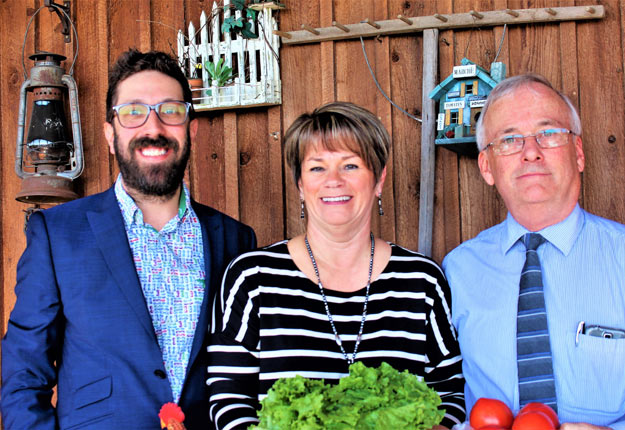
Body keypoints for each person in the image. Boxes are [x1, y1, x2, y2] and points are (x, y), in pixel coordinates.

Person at [1, 49, 256, 430]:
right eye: (133, 112)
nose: (153, 128)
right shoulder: (58, 235)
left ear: (192, 128)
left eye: (170, 110)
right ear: (110, 134)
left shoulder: (234, 239)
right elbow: (23, 372)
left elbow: (247, 369)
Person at [207, 101, 465, 430]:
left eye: (350, 166)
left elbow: (451, 395)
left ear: (379, 179)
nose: (334, 180)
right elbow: (229, 401)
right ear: (300, 184)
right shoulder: (252, 278)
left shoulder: (423, 282)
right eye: (317, 167)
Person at [443, 74, 625, 430]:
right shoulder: (456, 271)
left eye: (550, 133)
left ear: (578, 153)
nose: (531, 151)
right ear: (486, 167)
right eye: (509, 139)